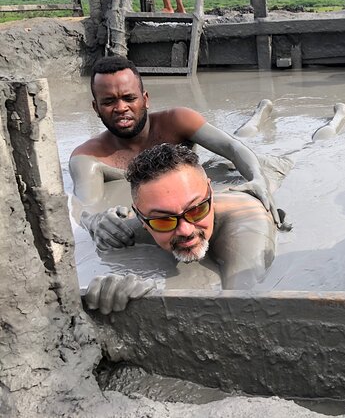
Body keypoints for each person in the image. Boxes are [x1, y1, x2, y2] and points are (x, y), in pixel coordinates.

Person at [69, 56, 286, 235]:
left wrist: (258, 179)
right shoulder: (88, 157)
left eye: (129, 98)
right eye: (108, 102)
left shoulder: (177, 121)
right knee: (244, 133)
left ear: (145, 99)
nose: (121, 108)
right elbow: (87, 207)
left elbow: (232, 148)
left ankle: (260, 114)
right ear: (95, 108)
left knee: (246, 134)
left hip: (212, 165)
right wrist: (96, 222)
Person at [84, 143, 277, 315]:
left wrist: (157, 301)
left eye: (197, 209)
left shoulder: (248, 221)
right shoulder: (144, 222)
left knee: (246, 137)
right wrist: (99, 223)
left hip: (272, 166)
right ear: (140, 216)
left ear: (210, 192)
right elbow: (84, 219)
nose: (185, 230)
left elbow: (241, 308)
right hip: (216, 171)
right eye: (164, 220)